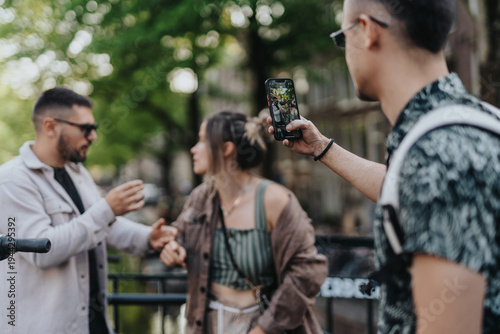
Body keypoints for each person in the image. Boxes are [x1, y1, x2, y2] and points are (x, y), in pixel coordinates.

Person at [269, 1, 500, 333]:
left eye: (341, 37)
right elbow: (405, 190)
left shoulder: (435, 157)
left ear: (366, 30)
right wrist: (323, 149)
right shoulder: (473, 123)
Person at [0, 87, 176, 334]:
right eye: (86, 129)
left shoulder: (77, 172)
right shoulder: (11, 180)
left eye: (94, 129)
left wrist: (148, 237)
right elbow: (42, 252)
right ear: (50, 127)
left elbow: (104, 226)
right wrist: (107, 208)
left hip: (93, 325)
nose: (93, 136)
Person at [160, 111, 328, 334]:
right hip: (206, 323)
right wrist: (171, 248)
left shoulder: (274, 199)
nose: (193, 149)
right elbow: (178, 236)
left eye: (201, 140)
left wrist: (263, 329)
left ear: (226, 149)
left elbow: (308, 272)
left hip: (260, 325)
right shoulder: (201, 197)